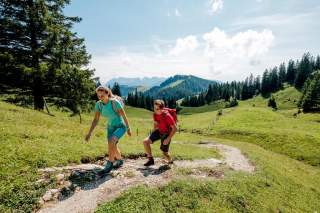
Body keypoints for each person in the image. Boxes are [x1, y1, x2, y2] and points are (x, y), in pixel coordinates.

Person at [85, 86, 131, 173]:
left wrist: (128, 128)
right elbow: (95, 120)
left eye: (102, 96)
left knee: (112, 141)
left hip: (120, 126)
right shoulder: (98, 105)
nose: (100, 98)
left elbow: (124, 116)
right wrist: (89, 133)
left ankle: (110, 163)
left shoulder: (115, 103)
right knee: (113, 145)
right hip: (110, 127)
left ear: (107, 93)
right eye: (98, 96)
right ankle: (120, 160)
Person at [142, 99, 177, 166]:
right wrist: (151, 134)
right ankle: (151, 160)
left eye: (157, 109)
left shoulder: (167, 116)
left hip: (166, 134)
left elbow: (175, 128)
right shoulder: (155, 114)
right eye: (154, 108)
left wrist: (168, 139)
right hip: (159, 131)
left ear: (162, 108)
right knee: (145, 142)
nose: (155, 110)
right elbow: (156, 125)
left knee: (164, 153)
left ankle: (170, 161)